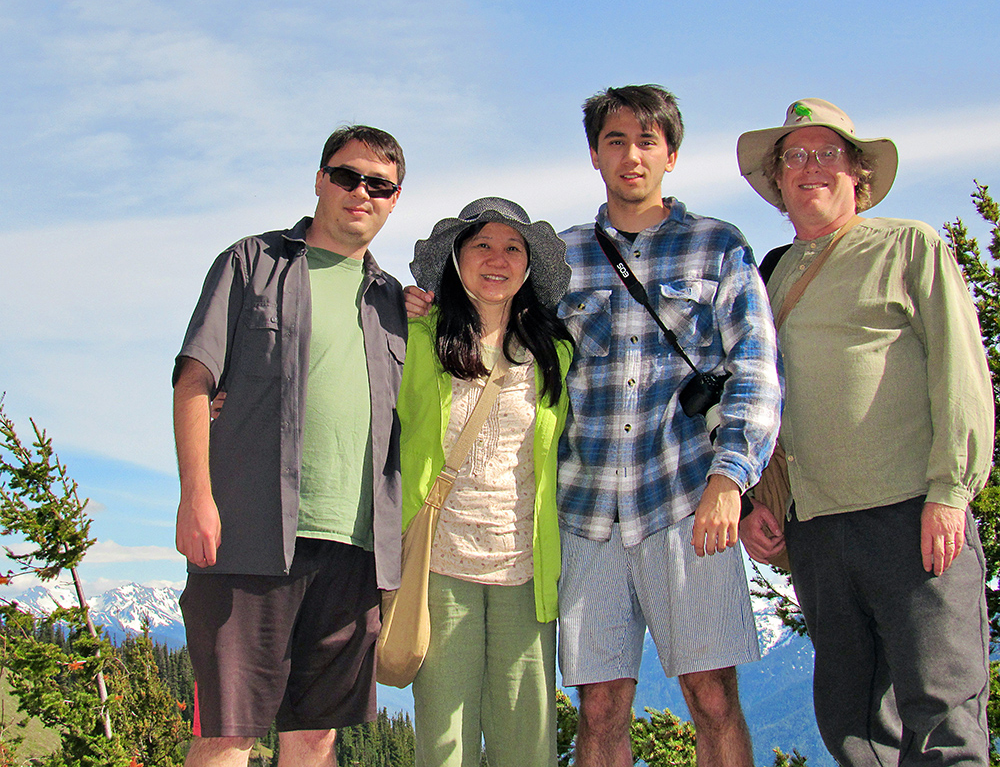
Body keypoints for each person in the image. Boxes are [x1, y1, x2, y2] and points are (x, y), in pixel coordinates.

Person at [405, 85, 782, 767]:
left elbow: (755, 368)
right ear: (594, 154)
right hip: (583, 514)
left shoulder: (718, 247)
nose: (631, 155)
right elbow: (497, 324)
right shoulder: (566, 258)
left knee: (714, 698)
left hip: (686, 503)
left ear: (672, 153)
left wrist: (733, 478)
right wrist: (424, 306)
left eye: (647, 141)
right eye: (615, 140)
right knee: (600, 709)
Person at [737, 98, 993, 766]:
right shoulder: (769, 274)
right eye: (795, 156)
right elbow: (756, 394)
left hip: (911, 514)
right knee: (853, 727)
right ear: (778, 179)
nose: (811, 167)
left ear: (858, 176)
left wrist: (950, 492)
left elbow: (960, 371)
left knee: (942, 716)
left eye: (828, 154)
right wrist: (757, 504)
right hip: (816, 530)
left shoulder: (908, 246)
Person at [172, 125, 407, 767]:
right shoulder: (250, 263)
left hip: (357, 549)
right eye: (347, 175)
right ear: (319, 180)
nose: (361, 192)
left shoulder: (397, 305)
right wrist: (197, 496)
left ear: (393, 203)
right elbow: (195, 380)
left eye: (379, 185)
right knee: (227, 732)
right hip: (247, 535)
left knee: (316, 737)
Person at [401, 197, 573, 767]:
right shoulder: (418, 340)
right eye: (482, 245)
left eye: (512, 248)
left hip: (525, 566)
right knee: (443, 739)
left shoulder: (556, 353)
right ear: (456, 257)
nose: (497, 259)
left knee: (527, 741)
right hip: (439, 563)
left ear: (527, 267)